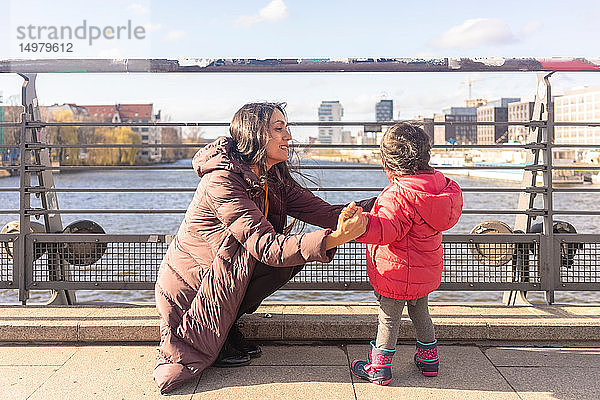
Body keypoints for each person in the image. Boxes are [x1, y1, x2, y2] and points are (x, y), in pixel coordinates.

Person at [153, 102, 372, 394]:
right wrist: (333, 239)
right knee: (285, 254)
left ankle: (227, 326)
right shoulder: (223, 180)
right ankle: (220, 333)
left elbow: (326, 213)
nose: (289, 137)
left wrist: (389, 203)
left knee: (293, 258)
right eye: (279, 129)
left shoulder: (272, 176)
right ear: (255, 134)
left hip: (229, 269)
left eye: (287, 128)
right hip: (195, 287)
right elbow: (267, 247)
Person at [348, 122, 463, 385]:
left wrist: (360, 224)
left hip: (396, 271)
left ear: (388, 165)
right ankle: (429, 359)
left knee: (388, 317)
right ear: (426, 155)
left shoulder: (397, 194)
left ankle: (379, 367)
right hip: (426, 270)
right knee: (421, 311)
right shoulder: (443, 188)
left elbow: (385, 230)